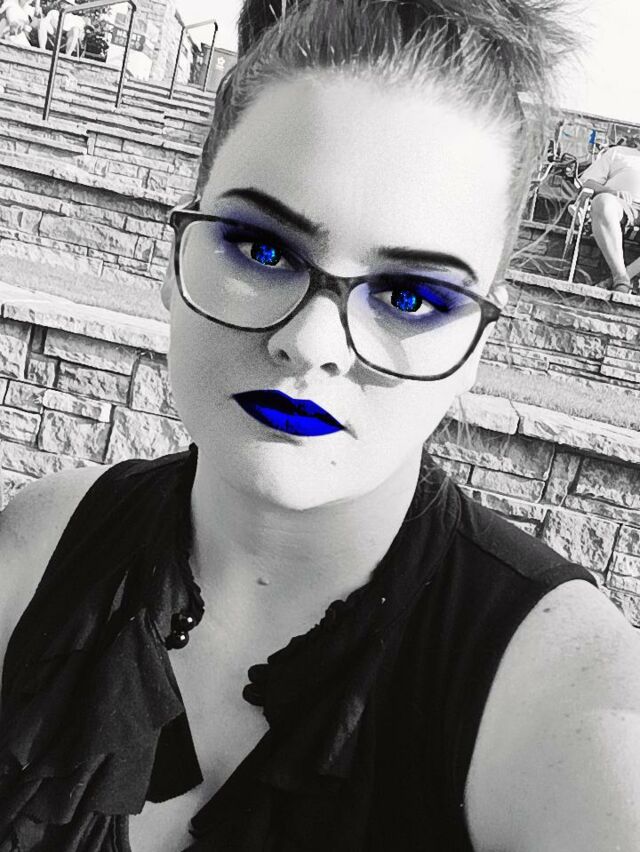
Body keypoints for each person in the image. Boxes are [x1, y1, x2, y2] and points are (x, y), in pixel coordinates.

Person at [1, 0, 640, 850]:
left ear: (479, 344)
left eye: (409, 295)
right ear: (175, 249)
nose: (309, 344)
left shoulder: (570, 704)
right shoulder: (39, 547)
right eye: (262, 249)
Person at [579, 134, 640, 293]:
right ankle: (620, 277)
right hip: (621, 204)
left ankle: (621, 280)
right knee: (603, 202)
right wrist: (611, 192)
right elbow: (588, 182)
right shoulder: (619, 152)